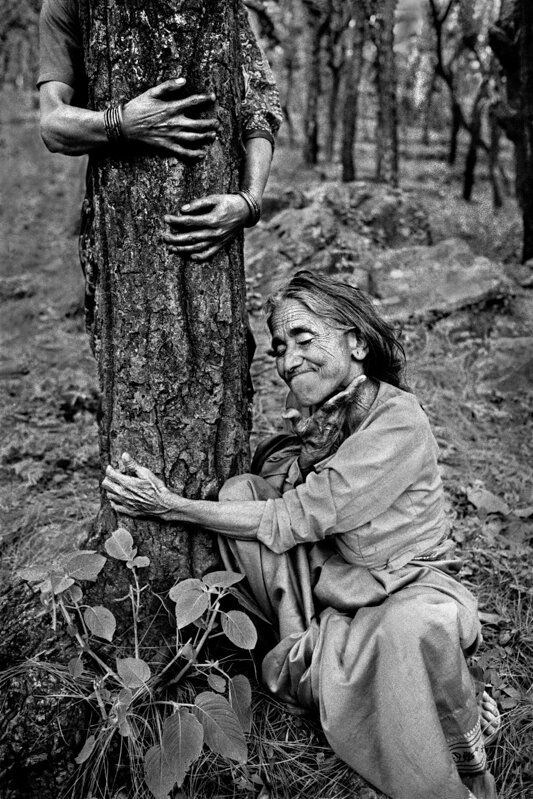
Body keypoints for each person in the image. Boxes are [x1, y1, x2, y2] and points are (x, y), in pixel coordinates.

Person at [103, 270, 500, 799]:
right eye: (279, 348)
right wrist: (307, 448)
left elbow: (300, 516)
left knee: (409, 631)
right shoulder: (331, 411)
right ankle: (314, 655)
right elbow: (279, 492)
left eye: (304, 338)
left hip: (412, 587)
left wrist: (169, 506)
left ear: (356, 342)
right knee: (242, 492)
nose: (289, 361)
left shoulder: (399, 421)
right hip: (339, 581)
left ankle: (447, 766)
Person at [37, 0, 282, 336]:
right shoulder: (71, 4)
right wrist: (120, 123)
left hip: (213, 247)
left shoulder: (222, 8)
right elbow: (52, 124)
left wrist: (249, 201)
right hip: (118, 243)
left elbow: (260, 104)